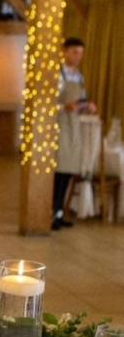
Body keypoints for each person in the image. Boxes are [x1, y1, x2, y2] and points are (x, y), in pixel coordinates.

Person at [52, 37, 97, 230]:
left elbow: (81, 99)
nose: (78, 57)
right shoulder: (57, 75)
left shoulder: (79, 77)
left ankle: (60, 212)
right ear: (65, 52)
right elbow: (49, 103)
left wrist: (87, 106)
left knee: (68, 171)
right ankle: (52, 212)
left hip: (74, 127)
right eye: (75, 52)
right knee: (59, 170)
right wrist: (64, 107)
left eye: (81, 53)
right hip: (60, 126)